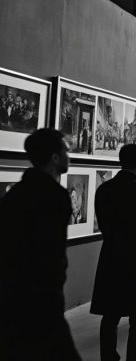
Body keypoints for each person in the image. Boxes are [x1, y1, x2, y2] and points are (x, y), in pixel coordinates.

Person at [0, 129, 81, 360]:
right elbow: (49, 254)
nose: (69, 156)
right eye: (65, 150)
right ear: (55, 158)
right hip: (40, 297)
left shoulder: (16, 193)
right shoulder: (54, 196)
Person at [91, 144, 136, 361]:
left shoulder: (104, 189)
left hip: (111, 256)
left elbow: (103, 224)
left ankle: (108, 357)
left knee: (110, 315)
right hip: (135, 260)